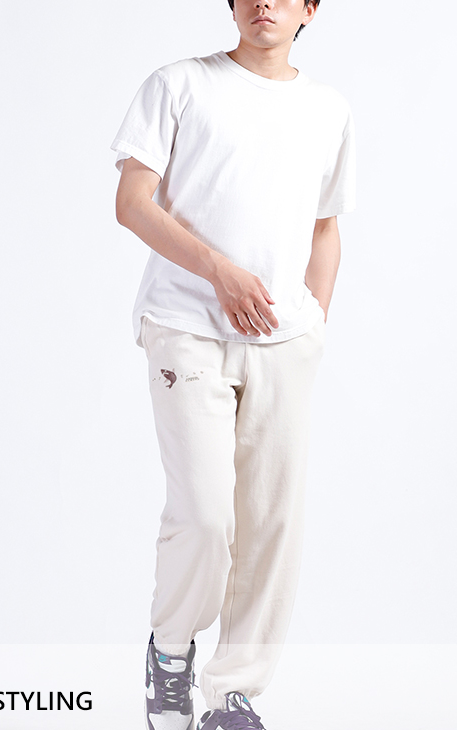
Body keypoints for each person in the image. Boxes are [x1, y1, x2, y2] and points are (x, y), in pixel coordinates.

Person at [111, 1, 355, 728]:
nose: (263, 3)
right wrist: (219, 271)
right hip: (186, 326)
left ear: (310, 9)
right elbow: (132, 203)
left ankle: (233, 694)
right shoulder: (179, 85)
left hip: (284, 343)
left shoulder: (328, 109)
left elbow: (325, 228)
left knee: (271, 523)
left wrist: (312, 325)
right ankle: (170, 654)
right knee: (206, 514)